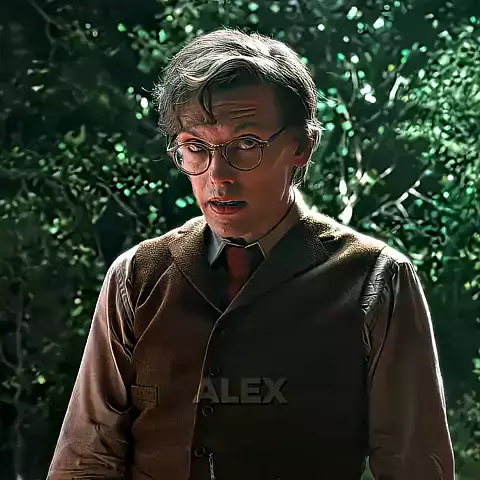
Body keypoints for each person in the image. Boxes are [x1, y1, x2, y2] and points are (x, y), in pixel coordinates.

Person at [48, 28, 454, 480]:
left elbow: (417, 467)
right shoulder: (137, 277)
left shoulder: (376, 280)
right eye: (195, 147)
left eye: (246, 144)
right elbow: (86, 460)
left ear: (302, 147)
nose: (218, 175)